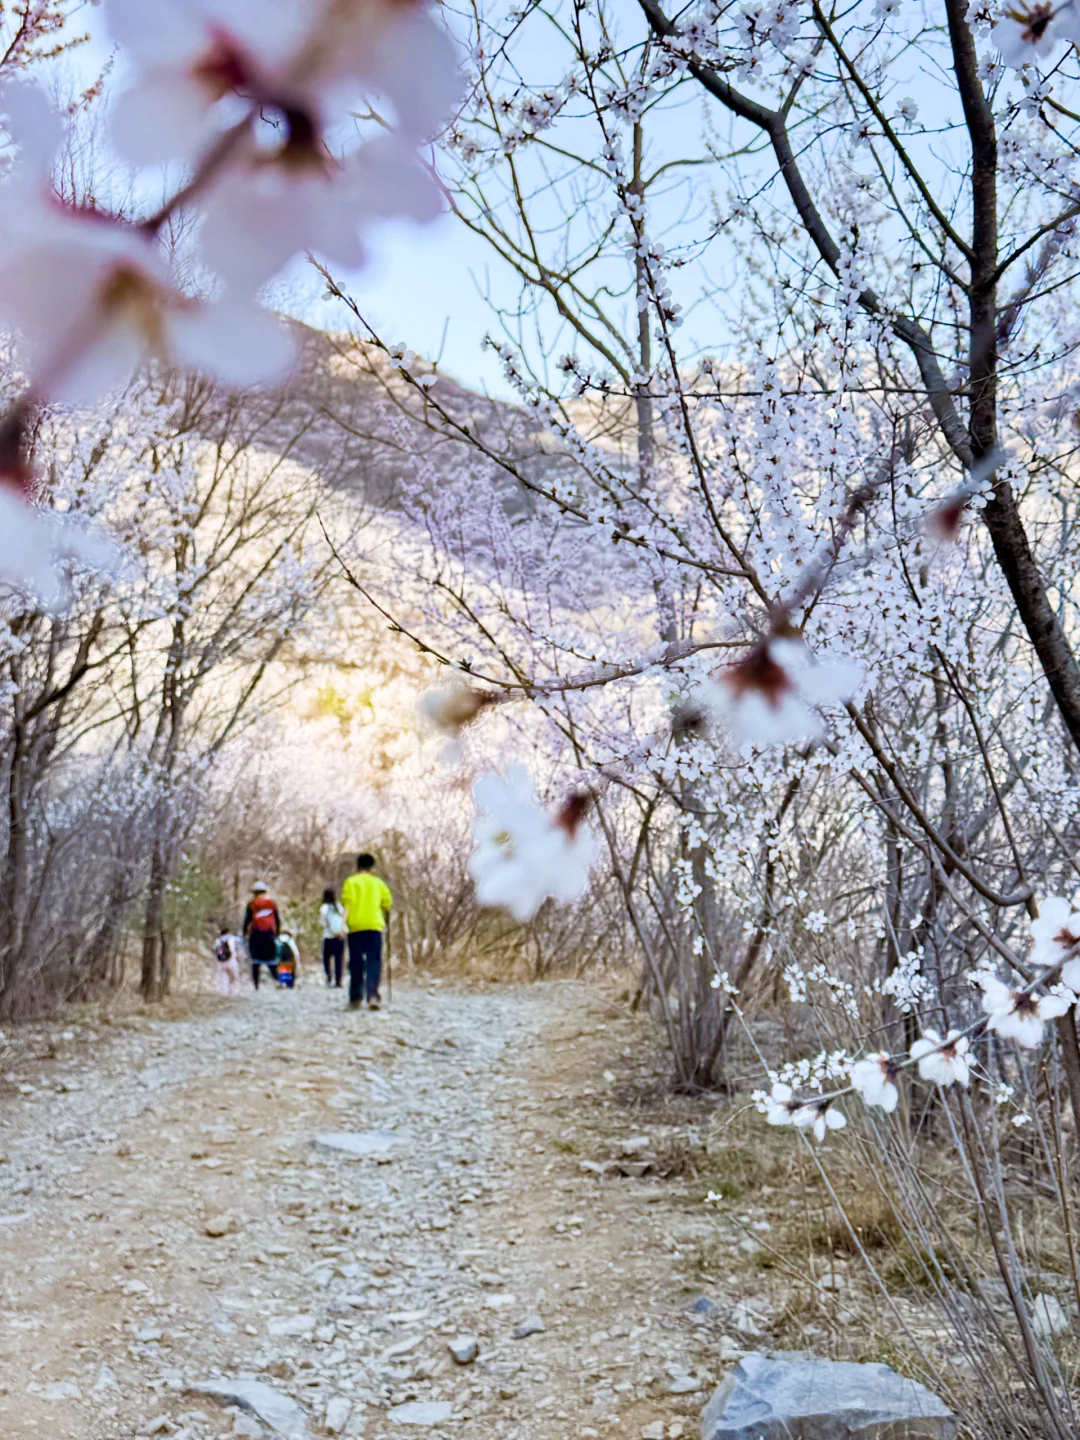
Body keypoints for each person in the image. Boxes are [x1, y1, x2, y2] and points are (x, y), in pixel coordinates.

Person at [341, 853, 392, 1011]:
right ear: (372, 867)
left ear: (357, 866)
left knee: (356, 962)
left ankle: (356, 997)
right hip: (374, 926)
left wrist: (342, 925)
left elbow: (347, 904)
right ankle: (372, 996)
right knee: (374, 961)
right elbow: (387, 903)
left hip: (355, 927)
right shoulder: (378, 883)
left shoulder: (351, 882)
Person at [242, 880, 280, 989]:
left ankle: (256, 985)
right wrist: (277, 933)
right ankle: (277, 980)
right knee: (271, 960)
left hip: (256, 934)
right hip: (269, 934)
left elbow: (247, 920)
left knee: (255, 961)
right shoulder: (272, 903)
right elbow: (277, 920)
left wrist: (244, 933)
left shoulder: (252, 904)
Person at [319, 886, 346, 988]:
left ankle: (329, 977)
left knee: (326, 959)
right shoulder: (339, 907)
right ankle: (338, 981)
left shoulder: (324, 908)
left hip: (328, 937)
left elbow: (323, 923)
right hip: (339, 936)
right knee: (339, 960)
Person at [212, 926, 241, 996]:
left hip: (221, 962)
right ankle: (232, 992)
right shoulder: (232, 939)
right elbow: (238, 946)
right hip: (231, 960)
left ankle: (224, 992)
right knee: (233, 977)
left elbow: (214, 949)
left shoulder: (218, 940)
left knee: (223, 977)